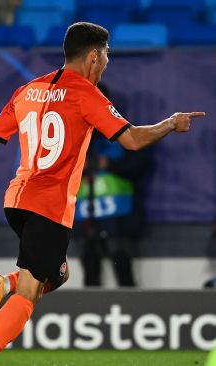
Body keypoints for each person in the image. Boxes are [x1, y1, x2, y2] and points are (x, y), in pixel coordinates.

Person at [0, 22, 205, 365]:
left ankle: (2, 284)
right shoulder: (86, 94)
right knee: (31, 291)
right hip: (49, 205)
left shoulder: (27, 90)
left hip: (15, 201)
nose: (107, 61)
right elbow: (132, 139)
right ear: (93, 55)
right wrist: (170, 123)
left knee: (58, 274)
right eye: (107, 54)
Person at [75, 83, 151, 287]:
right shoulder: (71, 138)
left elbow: (139, 166)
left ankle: (131, 316)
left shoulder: (126, 133)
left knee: (123, 270)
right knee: (90, 272)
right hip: (85, 217)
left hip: (120, 219)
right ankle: (89, 318)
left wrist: (109, 164)